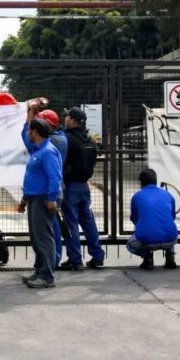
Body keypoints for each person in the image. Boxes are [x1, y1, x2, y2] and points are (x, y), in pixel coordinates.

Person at [21, 104, 67, 270]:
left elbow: (54, 177)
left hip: (44, 197)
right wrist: (25, 198)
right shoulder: (38, 148)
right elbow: (25, 137)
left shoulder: (48, 150)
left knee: (45, 237)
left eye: (30, 130)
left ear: (36, 132)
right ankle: (40, 270)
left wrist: (52, 198)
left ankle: (47, 273)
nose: (27, 132)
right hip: (35, 197)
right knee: (37, 238)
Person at [59, 107, 105, 271]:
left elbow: (63, 161)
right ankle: (98, 256)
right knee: (88, 221)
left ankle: (75, 259)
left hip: (70, 186)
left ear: (73, 121)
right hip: (85, 186)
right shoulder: (91, 140)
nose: (65, 119)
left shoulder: (67, 138)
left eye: (67, 117)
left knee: (71, 223)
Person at [128, 168, 178, 270]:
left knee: (130, 245)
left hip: (147, 241)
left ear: (141, 183)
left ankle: (148, 257)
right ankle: (170, 257)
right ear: (156, 181)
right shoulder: (168, 195)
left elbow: (134, 218)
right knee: (167, 227)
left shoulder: (137, 196)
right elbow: (172, 217)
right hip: (171, 239)